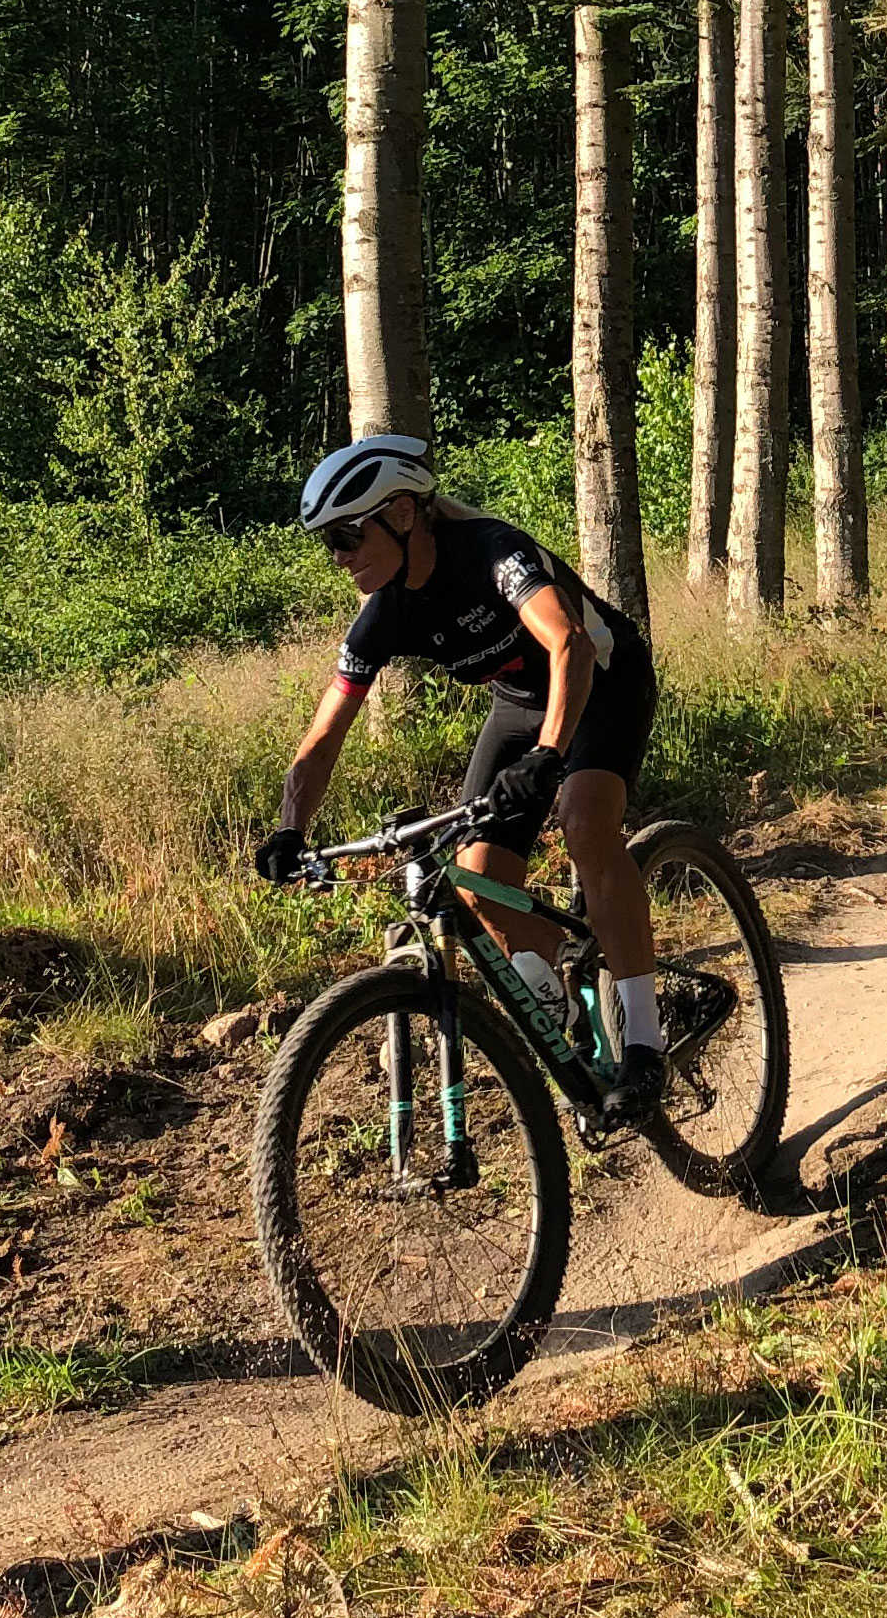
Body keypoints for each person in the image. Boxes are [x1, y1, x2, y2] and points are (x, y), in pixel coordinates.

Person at [252, 435, 667, 1123]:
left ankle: (647, 1042)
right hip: (519, 704)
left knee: (585, 823)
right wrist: (289, 829)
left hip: (603, 680)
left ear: (406, 513)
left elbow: (568, 643)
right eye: (329, 543)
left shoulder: (491, 551)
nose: (341, 557)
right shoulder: (382, 613)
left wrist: (549, 755)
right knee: (479, 884)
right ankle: (568, 978)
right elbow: (325, 734)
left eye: (350, 534)